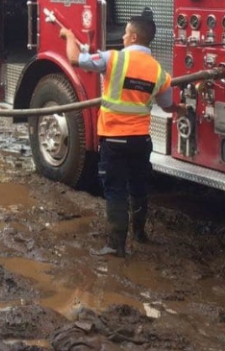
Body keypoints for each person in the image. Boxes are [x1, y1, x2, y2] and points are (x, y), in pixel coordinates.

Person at [61, 15, 180, 257]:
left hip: (114, 139)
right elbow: (168, 106)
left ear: (134, 37)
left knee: (115, 190)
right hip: (141, 141)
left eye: (125, 33)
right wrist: (182, 109)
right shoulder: (159, 72)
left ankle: (116, 245)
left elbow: (74, 59)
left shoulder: (113, 58)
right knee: (138, 187)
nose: (123, 37)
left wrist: (69, 37)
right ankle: (139, 234)